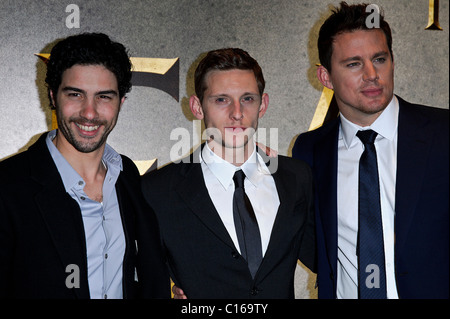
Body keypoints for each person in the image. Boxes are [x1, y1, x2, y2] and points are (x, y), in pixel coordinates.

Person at [292, 2, 448, 299]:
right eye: (353, 64)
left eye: (380, 59)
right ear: (325, 77)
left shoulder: (443, 134)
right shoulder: (309, 150)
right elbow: (311, 247)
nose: (372, 74)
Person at [0, 33, 170, 299]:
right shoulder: (8, 187)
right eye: (76, 94)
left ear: (120, 103)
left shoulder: (127, 176)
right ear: (53, 96)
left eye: (104, 97)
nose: (89, 112)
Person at [141, 48, 316, 298]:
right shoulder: (157, 191)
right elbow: (144, 281)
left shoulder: (296, 178)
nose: (237, 113)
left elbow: (327, 259)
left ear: (263, 104)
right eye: (221, 100)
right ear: (197, 107)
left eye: (247, 99)